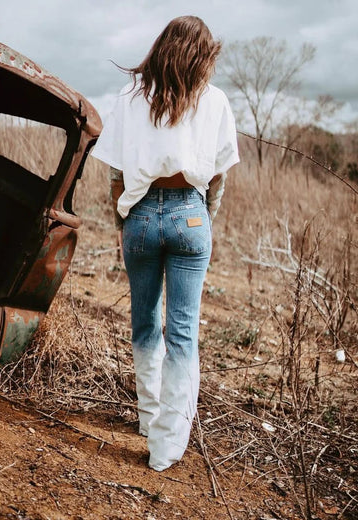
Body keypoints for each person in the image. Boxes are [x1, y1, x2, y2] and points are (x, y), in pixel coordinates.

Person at [92, 15, 239, 471]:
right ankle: (166, 445)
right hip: (190, 213)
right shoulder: (214, 101)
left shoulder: (130, 98)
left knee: (144, 324)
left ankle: (147, 416)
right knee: (182, 332)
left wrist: (127, 222)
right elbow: (217, 178)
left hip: (140, 215)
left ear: (161, 49)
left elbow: (116, 176)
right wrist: (201, 222)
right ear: (202, 55)